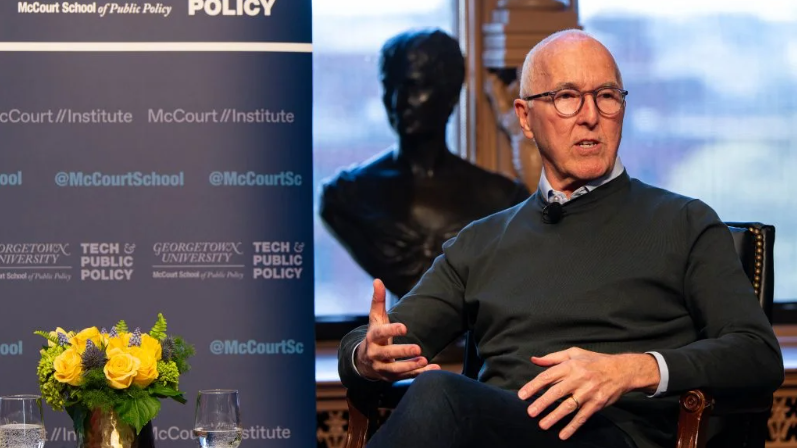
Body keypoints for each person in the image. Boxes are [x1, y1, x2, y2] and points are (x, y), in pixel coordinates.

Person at [337, 29, 784, 448]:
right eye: (567, 97)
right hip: (495, 429)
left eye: (606, 97)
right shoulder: (481, 241)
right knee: (435, 393)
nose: (591, 116)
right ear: (526, 118)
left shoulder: (685, 222)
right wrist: (365, 356)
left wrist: (635, 368)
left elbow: (757, 352)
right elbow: (386, 339)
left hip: (616, 433)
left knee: (438, 394)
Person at [319, 28, 529, 299]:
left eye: (415, 87)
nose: (398, 101)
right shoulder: (346, 197)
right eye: (389, 86)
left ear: (451, 95)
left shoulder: (503, 201)